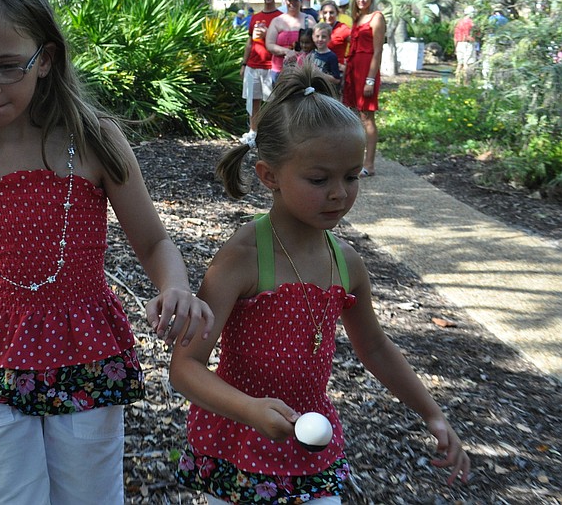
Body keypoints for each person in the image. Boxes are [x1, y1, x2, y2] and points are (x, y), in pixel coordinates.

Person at [0, 0, 213, 503]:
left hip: (86, 346)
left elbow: (154, 242)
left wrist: (174, 286)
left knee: (89, 495)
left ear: (46, 59)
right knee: (6, 494)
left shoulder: (93, 140)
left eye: (7, 66)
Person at [170, 62, 471, 504]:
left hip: (312, 447)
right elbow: (185, 368)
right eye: (319, 179)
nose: (339, 193)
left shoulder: (346, 263)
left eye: (351, 176)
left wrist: (432, 412)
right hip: (238, 443)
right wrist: (249, 409)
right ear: (269, 175)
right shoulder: (244, 258)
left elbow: (375, 347)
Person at [342, 0, 385, 177]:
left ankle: (370, 164)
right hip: (354, 70)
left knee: (367, 117)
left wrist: (370, 80)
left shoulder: (377, 17)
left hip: (367, 70)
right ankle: (356, 161)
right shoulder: (357, 18)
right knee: (355, 116)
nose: (361, 0)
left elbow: (378, 51)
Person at [240, 0, 283, 136]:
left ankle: (271, 133)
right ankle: (253, 131)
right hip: (253, 65)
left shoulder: (280, 17)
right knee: (253, 100)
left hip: (271, 66)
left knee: (273, 102)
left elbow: (282, 41)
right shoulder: (255, 18)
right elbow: (249, 43)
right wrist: (244, 64)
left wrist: (267, 34)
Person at [265, 0, 318, 82]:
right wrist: (287, 52)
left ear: (301, 2)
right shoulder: (277, 21)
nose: (292, 3)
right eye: (290, 0)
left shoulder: (309, 20)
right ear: (285, 1)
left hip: (303, 71)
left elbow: (316, 42)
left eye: (295, 0)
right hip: (279, 70)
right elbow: (269, 44)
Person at [318, 0, 351, 70]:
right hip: (320, 69)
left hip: (336, 70)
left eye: (331, 12)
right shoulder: (318, 28)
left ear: (337, 13)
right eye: (325, 13)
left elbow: (357, 45)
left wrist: (348, 65)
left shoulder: (343, 29)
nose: (328, 16)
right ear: (321, 13)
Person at [453, 6, 477, 84]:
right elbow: (478, 34)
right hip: (468, 44)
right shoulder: (472, 23)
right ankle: (466, 83)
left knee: (460, 64)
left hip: (459, 44)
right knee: (468, 64)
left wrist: (455, 47)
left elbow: (455, 37)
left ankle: (457, 82)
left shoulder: (459, 22)